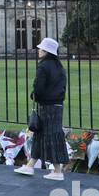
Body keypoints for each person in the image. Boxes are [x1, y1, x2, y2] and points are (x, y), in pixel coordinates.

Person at [19, 36, 67, 180]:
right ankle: (30, 165)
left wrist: (34, 95)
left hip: (47, 105)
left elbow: (38, 88)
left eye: (41, 48)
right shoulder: (60, 67)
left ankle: (58, 171)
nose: (38, 50)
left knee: (50, 135)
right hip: (57, 105)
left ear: (46, 51)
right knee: (43, 134)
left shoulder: (43, 66)